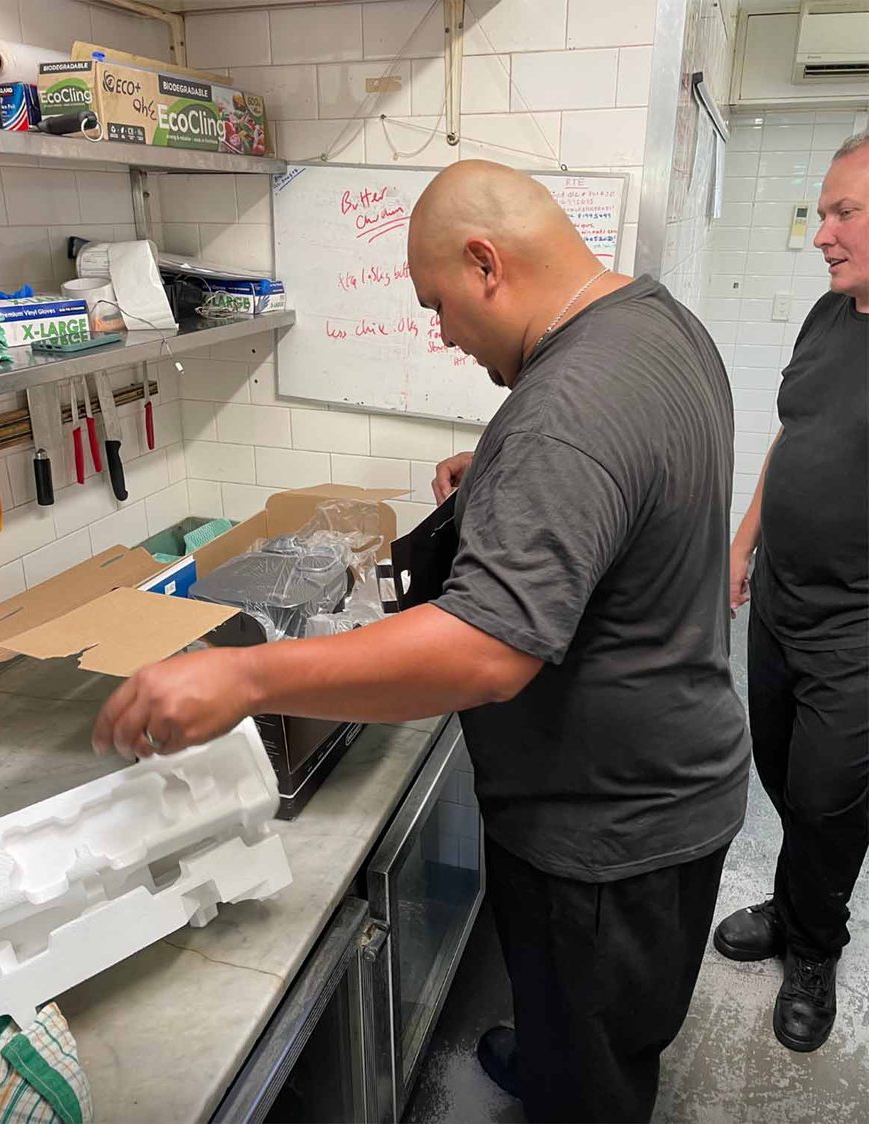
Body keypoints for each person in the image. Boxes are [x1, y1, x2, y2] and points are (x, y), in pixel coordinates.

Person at [93, 160, 749, 1123]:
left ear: (487, 263)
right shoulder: (655, 325)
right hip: (670, 777)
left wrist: (245, 676)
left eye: (438, 304)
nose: (441, 334)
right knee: (582, 1022)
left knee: (594, 1082)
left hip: (607, 832)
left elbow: (481, 650)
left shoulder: (566, 415)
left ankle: (572, 1079)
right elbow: (629, 468)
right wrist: (503, 472)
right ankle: (556, 1053)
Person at [713, 132, 869, 1054]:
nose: (822, 233)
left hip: (857, 629)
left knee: (827, 794)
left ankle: (815, 946)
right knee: (777, 766)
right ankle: (792, 901)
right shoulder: (829, 316)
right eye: (822, 211)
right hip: (780, 599)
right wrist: (744, 542)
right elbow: (793, 434)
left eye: (845, 212)